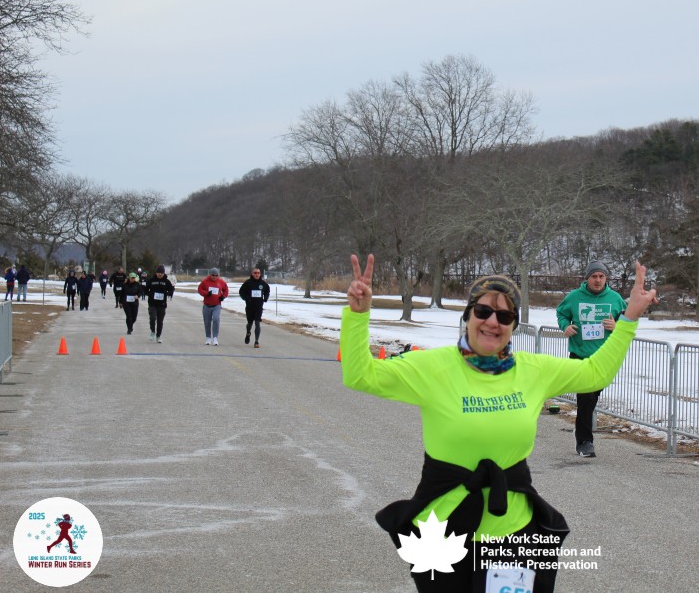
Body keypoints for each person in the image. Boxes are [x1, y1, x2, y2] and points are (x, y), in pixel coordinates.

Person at [341, 254, 657, 593]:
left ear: (513, 325)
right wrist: (358, 315)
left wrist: (629, 318)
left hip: (512, 532)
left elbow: (596, 373)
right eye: (483, 311)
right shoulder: (430, 367)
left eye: (505, 315)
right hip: (441, 533)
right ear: (468, 316)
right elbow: (361, 375)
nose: (493, 321)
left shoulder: (533, 370)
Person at [555, 260, 628, 458]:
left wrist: (617, 326)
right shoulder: (574, 297)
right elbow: (561, 314)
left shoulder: (615, 299)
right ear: (587, 278)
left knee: (592, 397)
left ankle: (581, 430)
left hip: (604, 356)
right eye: (594, 276)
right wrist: (565, 326)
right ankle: (585, 442)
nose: (597, 280)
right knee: (586, 397)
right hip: (580, 354)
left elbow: (627, 321)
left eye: (601, 276)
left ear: (606, 278)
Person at [238, 268, 270, 348]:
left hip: (259, 306)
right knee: (250, 323)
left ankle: (256, 341)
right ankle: (248, 332)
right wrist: (246, 298)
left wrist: (265, 297)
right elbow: (241, 292)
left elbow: (267, 291)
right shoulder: (248, 283)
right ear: (252, 274)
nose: (257, 274)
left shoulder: (263, 283)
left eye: (258, 273)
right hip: (250, 306)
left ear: (260, 274)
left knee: (257, 323)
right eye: (255, 273)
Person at [197, 267, 229, 346]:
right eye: (213, 275)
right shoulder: (205, 281)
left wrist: (223, 296)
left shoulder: (221, 282)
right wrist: (206, 293)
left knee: (216, 319)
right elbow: (200, 289)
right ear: (210, 275)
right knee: (207, 322)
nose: (214, 277)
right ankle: (208, 338)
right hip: (207, 305)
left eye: (216, 275)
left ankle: (215, 338)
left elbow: (226, 290)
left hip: (217, 305)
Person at [145, 265, 174, 342]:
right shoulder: (151, 280)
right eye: (158, 272)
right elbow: (145, 289)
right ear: (156, 273)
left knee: (160, 321)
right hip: (152, 303)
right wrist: (149, 294)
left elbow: (171, 290)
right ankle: (152, 331)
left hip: (162, 304)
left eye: (161, 273)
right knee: (152, 318)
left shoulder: (166, 281)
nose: (160, 274)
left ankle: (158, 336)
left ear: (164, 273)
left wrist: (167, 293)